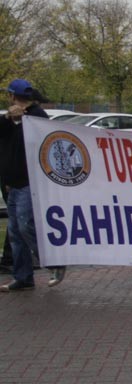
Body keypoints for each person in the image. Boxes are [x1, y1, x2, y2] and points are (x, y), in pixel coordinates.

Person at [0, 79, 65, 291]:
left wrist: (23, 117)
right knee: (15, 232)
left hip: (29, 183)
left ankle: (54, 262)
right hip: (13, 183)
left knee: (25, 226)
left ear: (11, 95)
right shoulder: (11, 119)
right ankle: (23, 276)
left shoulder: (36, 116)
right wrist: (11, 118)